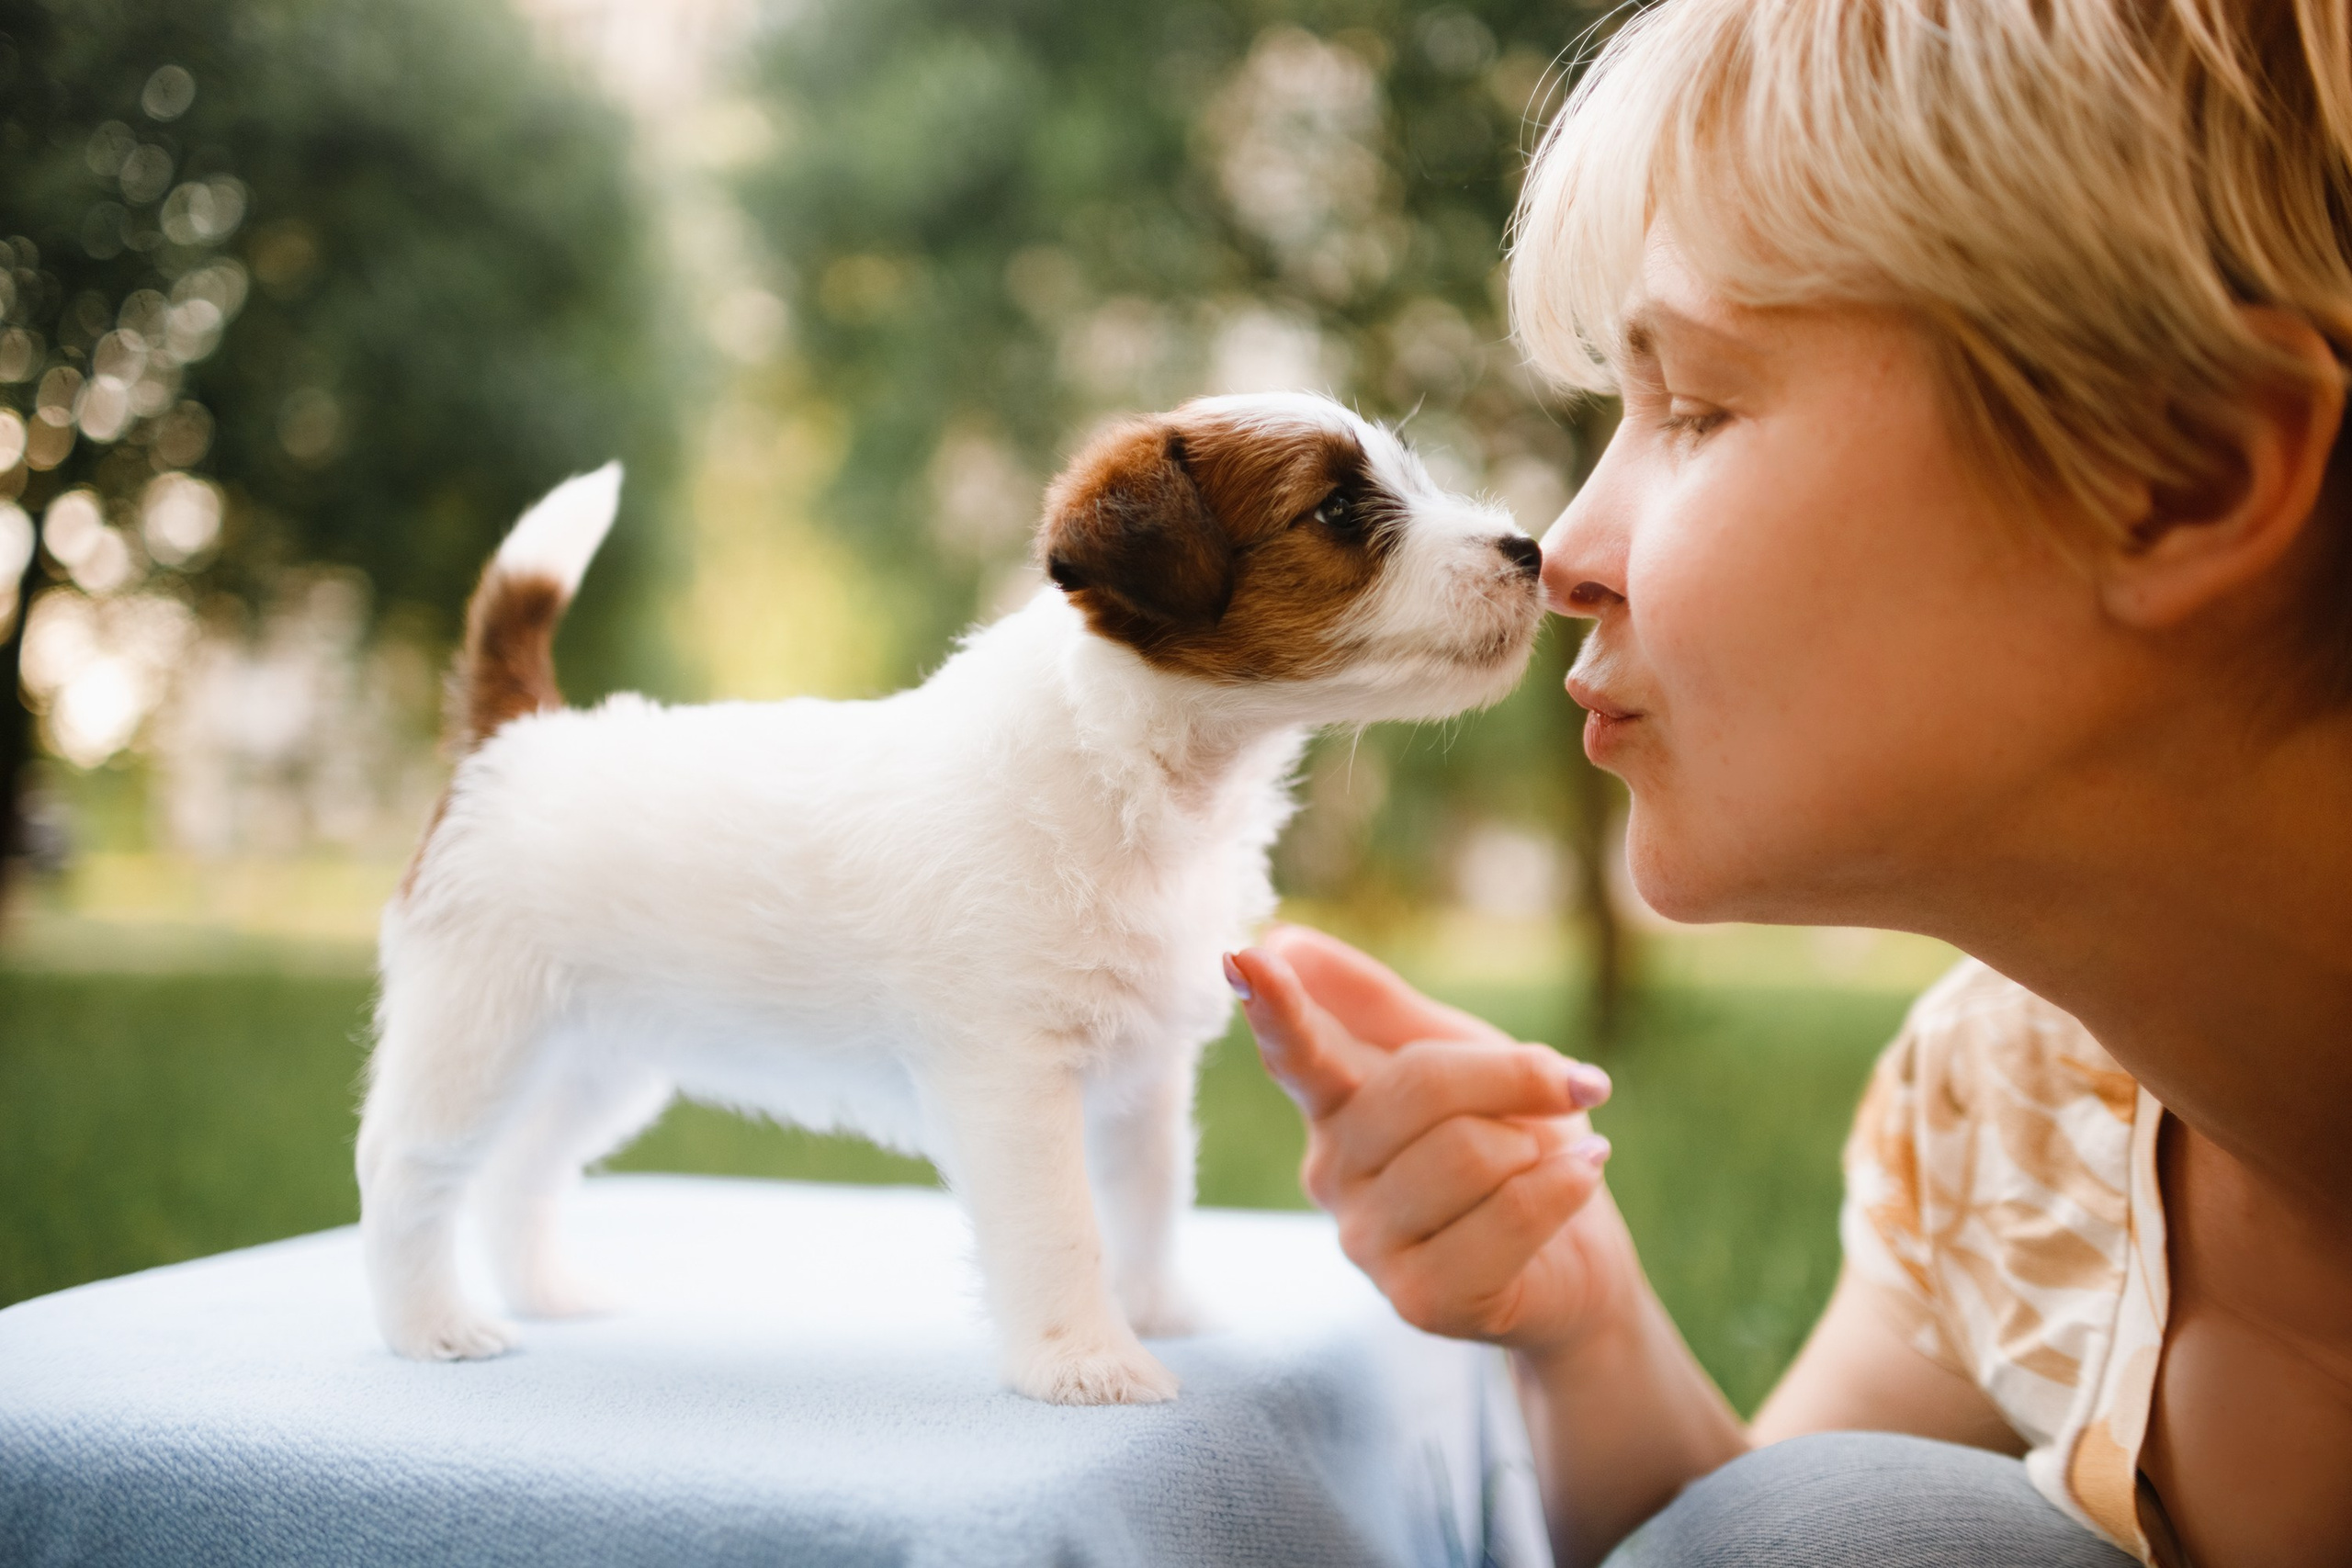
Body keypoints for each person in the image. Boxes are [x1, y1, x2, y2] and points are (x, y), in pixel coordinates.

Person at [1220, 3, 2352, 1564]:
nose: (1567, 559)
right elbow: (1786, 1540)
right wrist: (1589, 1320)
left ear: (2181, 478)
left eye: (1693, 407)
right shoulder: (2014, 1114)